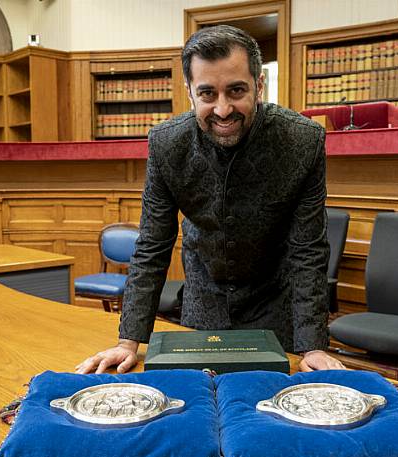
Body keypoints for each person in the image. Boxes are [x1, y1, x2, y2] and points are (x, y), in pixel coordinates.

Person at [77, 25, 344, 374]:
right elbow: (152, 247)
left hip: (276, 305)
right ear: (189, 92)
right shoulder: (166, 144)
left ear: (259, 85)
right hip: (203, 301)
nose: (222, 110)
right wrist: (129, 341)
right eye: (207, 94)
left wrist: (313, 346)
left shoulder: (302, 142)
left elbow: (307, 249)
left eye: (236, 91)